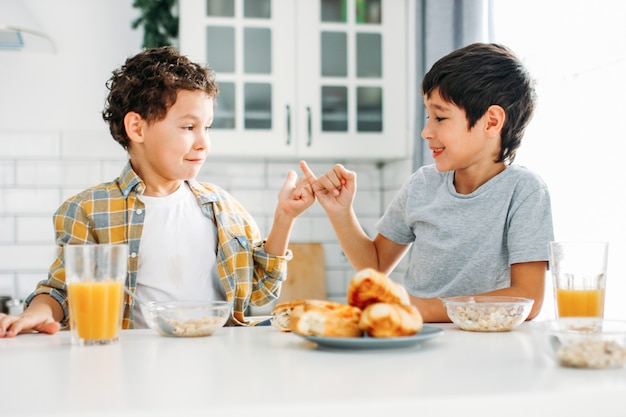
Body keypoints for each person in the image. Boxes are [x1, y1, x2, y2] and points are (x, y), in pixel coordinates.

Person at [0, 46, 315, 337]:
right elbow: (62, 290)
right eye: (189, 127)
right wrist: (37, 312)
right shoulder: (88, 210)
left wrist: (284, 217)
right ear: (137, 128)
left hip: (217, 368)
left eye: (208, 127)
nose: (204, 142)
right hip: (130, 367)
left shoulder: (223, 207)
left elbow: (260, 291)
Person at [300, 43, 554, 322]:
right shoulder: (421, 185)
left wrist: (426, 309)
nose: (425, 132)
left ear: (491, 122)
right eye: (427, 116)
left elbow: (529, 299)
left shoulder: (524, 192)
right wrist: (340, 212)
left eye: (440, 117)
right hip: (416, 338)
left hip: (488, 347)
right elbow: (374, 266)